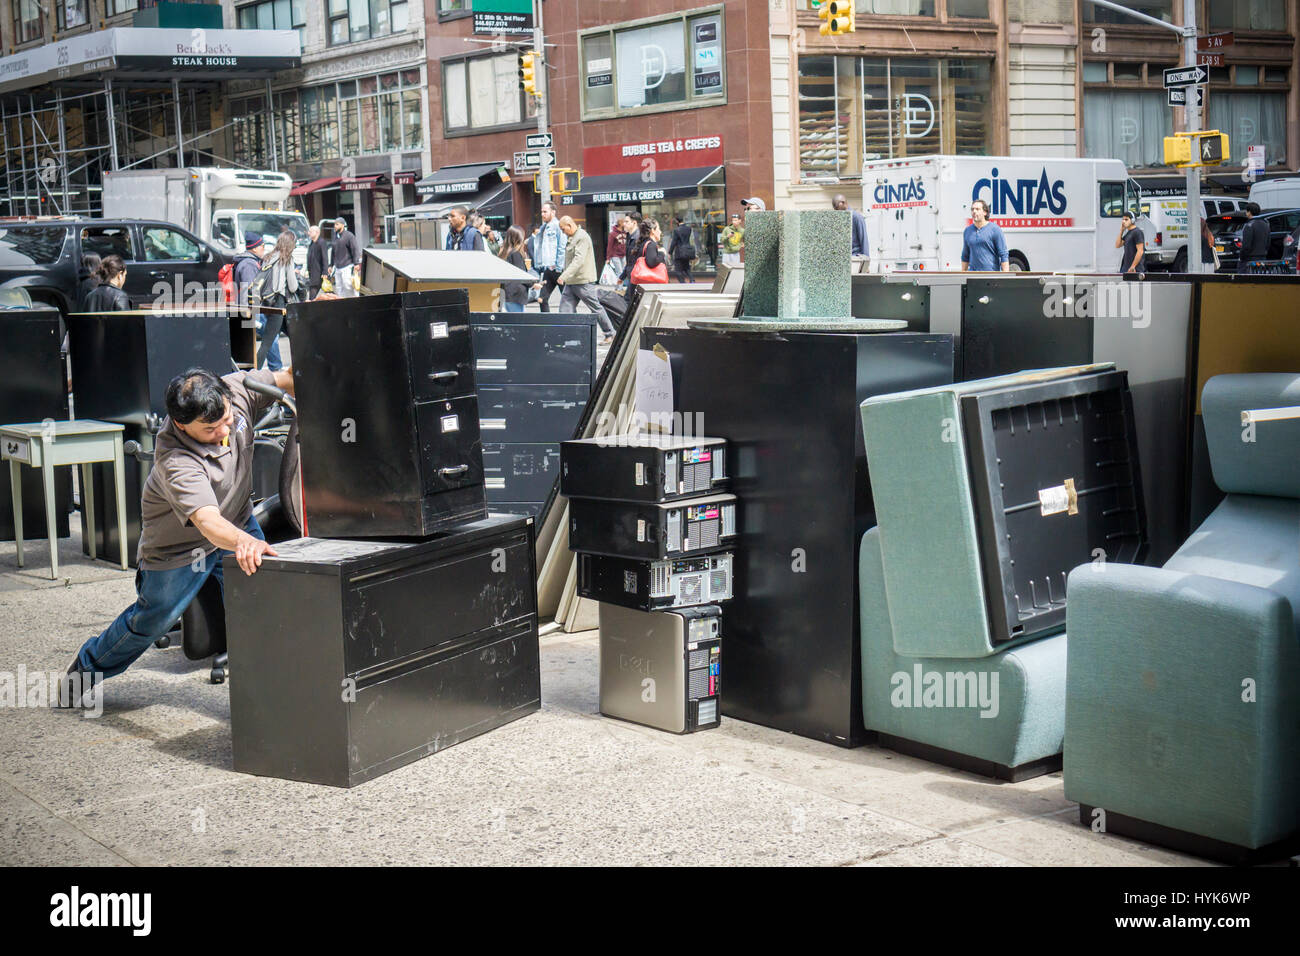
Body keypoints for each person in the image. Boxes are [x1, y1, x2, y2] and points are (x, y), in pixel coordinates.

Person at [58, 367, 292, 706]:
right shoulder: (176, 460)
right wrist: (244, 542)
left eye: (227, 419)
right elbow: (208, 522)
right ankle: (85, 669)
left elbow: (287, 376)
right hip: (180, 550)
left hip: (238, 521)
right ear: (182, 425)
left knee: (260, 608)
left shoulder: (237, 391)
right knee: (151, 622)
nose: (224, 431)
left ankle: (264, 702)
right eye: (210, 429)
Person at [556, 215, 615, 343]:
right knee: (565, 310)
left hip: (582, 281)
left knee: (595, 307)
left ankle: (610, 333)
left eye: (563, 229)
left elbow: (578, 260)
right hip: (572, 281)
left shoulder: (581, 237)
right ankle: (569, 337)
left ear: (570, 226)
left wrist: (564, 275)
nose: (563, 232)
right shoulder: (573, 237)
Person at [251, 232, 299, 372]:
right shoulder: (287, 259)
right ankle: (251, 375)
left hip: (268, 303)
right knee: (267, 342)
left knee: (297, 336)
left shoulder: (268, 257)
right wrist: (296, 276)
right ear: (291, 244)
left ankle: (302, 369)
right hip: (279, 303)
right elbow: (292, 286)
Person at [534, 201, 567, 312]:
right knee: (542, 299)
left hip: (559, 269)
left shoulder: (558, 226)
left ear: (553, 212)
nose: (542, 214)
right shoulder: (543, 228)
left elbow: (562, 246)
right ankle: (546, 325)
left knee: (567, 300)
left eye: (545, 212)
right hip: (548, 269)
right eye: (542, 212)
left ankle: (572, 324)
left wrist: (559, 267)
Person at [961, 199, 1010, 273]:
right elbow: (965, 256)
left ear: (985, 212)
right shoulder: (967, 231)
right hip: (972, 276)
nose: (974, 211)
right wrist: (963, 274)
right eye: (972, 209)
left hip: (990, 276)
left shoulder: (995, 229)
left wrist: (1005, 276)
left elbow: (1003, 255)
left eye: (977, 209)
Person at [499, 225, 531, 313]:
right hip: (515, 294)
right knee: (518, 323)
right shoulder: (516, 254)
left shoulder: (503, 253)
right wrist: (533, 284)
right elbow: (521, 274)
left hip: (506, 294)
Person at [629, 218, 667, 287]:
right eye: (658, 229)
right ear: (653, 231)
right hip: (649, 286)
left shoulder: (642, 243)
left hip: (639, 285)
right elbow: (651, 263)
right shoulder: (651, 244)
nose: (660, 232)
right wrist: (662, 253)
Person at [331, 216, 361, 297]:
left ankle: (355, 299)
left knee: (348, 285)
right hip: (337, 266)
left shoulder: (349, 236)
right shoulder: (334, 236)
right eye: (334, 224)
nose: (335, 226)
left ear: (343, 225)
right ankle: (342, 303)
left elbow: (355, 249)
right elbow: (333, 252)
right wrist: (331, 265)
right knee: (339, 287)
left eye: (337, 224)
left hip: (347, 265)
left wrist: (356, 263)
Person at [833, 194, 869, 259]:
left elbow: (863, 239)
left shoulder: (857, 217)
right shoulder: (840, 218)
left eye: (836, 207)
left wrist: (866, 261)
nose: (836, 210)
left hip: (856, 259)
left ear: (843, 203)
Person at [1237, 202, 1269, 273]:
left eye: (1246, 211)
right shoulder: (1266, 224)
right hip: (1262, 258)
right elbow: (1268, 243)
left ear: (1249, 212)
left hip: (1250, 259)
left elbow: (1246, 246)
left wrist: (1241, 257)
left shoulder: (1249, 226)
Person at [620, 211, 645, 293]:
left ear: (634, 223)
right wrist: (622, 276)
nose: (624, 224)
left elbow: (635, 261)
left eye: (627, 222)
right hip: (632, 276)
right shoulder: (629, 236)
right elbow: (629, 261)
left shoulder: (639, 238)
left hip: (637, 277)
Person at [1115, 210, 1146, 275]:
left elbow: (1140, 251)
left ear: (1132, 220)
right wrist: (1121, 231)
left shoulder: (1137, 232)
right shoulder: (1129, 233)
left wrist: (1133, 266)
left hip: (1135, 269)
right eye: (1123, 219)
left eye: (1126, 219)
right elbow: (1118, 245)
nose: (1123, 221)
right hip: (1126, 268)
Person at [668, 215, 695, 283]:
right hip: (687, 251)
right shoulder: (689, 228)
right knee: (687, 267)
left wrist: (670, 253)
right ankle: (692, 280)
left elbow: (674, 242)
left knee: (678, 269)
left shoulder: (676, 230)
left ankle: (682, 283)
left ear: (677, 221)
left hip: (679, 252)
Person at [306, 224, 330, 299]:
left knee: (315, 293)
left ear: (317, 232)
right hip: (312, 273)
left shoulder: (321, 242)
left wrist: (325, 272)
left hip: (319, 273)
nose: (308, 233)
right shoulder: (312, 243)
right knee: (313, 294)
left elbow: (325, 258)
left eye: (310, 231)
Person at [604, 216, 628, 282]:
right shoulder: (612, 234)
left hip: (624, 255)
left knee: (623, 271)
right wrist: (608, 258)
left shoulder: (626, 233)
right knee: (619, 272)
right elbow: (609, 246)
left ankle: (621, 287)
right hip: (615, 255)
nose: (625, 224)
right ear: (620, 223)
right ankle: (619, 288)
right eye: (624, 222)